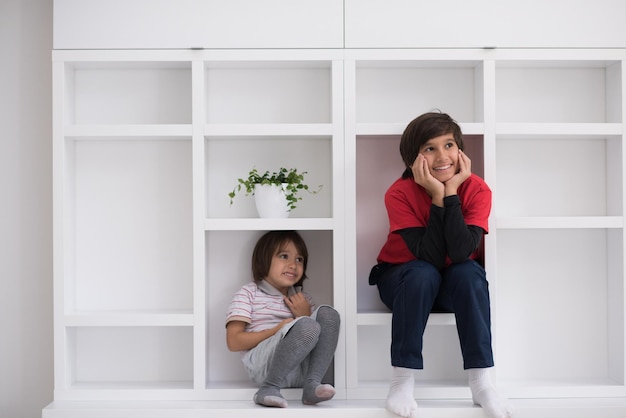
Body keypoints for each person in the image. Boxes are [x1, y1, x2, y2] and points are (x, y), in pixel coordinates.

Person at [368, 112, 513, 418]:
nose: (442, 156)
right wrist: (437, 194)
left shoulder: (477, 189)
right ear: (413, 158)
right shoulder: (399, 193)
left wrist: (451, 193)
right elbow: (428, 256)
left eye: (449, 145)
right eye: (430, 148)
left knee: (470, 271)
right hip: (402, 280)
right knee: (422, 272)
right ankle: (401, 381)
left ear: (460, 150)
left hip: (453, 284)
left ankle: (481, 382)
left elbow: (461, 252)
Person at [226, 230, 340, 408]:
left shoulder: (303, 299)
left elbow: (312, 338)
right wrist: (276, 330)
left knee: (328, 314)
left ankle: (312, 385)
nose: (293, 265)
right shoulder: (249, 293)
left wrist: (303, 314)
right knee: (307, 325)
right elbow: (233, 342)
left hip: (299, 370)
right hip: (264, 367)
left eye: (299, 259)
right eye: (284, 256)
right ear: (264, 259)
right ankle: (268, 388)